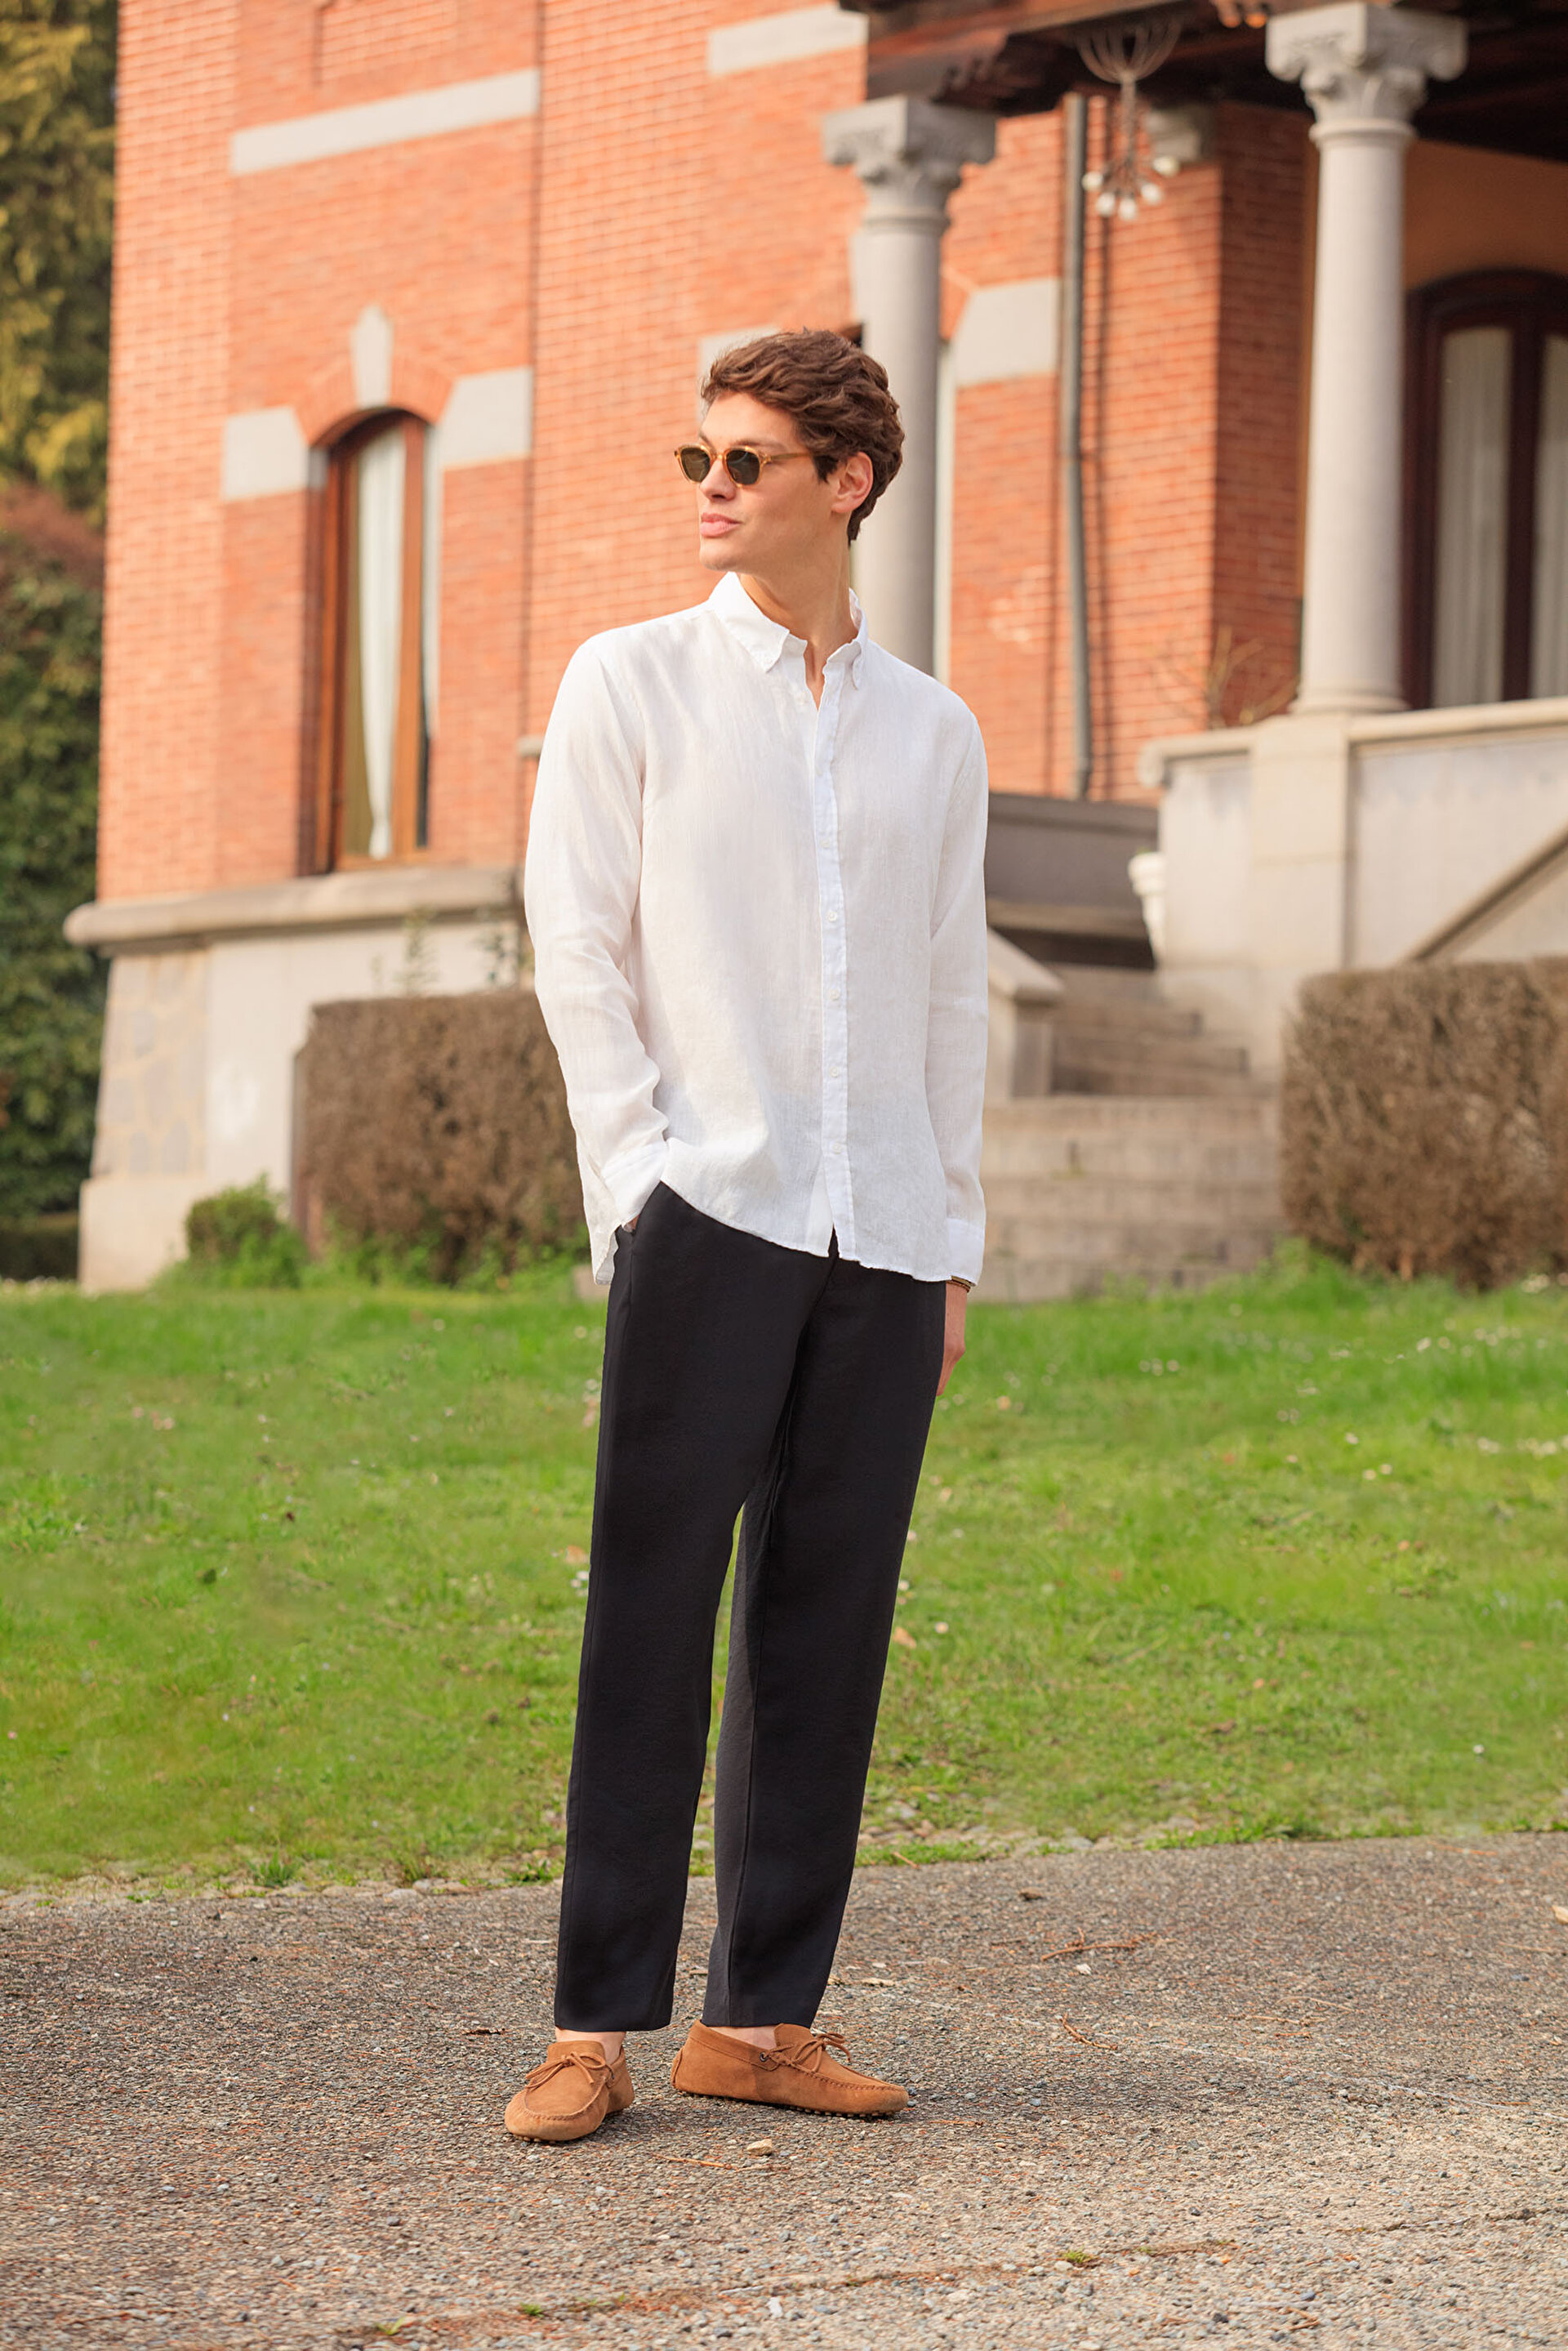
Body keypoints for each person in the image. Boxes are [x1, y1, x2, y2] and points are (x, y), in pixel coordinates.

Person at [509, 328, 988, 2144]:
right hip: (707, 1207)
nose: (712, 488)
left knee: (825, 1627)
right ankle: (594, 2025)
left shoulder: (935, 732)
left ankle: (764, 2018)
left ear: (845, 483)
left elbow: (951, 999)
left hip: (883, 1233)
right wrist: (637, 1181)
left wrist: (950, 1235)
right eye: (698, 458)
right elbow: (577, 945)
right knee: (651, 1610)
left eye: (749, 460)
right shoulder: (630, 682)